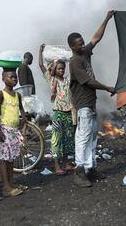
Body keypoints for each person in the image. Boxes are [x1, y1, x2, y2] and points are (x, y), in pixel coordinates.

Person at [68, 10, 116, 187]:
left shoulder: (85, 53)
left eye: (82, 43)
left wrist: (107, 18)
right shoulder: (75, 62)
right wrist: (107, 87)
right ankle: (79, 171)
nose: (82, 46)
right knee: (83, 137)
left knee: (93, 136)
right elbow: (88, 81)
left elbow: (96, 37)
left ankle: (91, 168)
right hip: (83, 104)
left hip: (91, 103)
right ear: (72, 47)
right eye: (78, 45)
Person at [39, 44, 75, 175]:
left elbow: (73, 68)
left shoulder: (67, 80)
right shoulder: (52, 79)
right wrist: (40, 51)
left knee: (67, 139)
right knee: (57, 139)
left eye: (63, 68)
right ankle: (57, 165)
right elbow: (42, 67)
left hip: (68, 112)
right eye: (59, 68)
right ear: (54, 69)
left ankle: (65, 164)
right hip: (58, 113)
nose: (61, 70)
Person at [0, 68, 27, 196]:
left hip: (14, 130)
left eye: (15, 77)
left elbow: (21, 109)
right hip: (4, 129)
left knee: (11, 158)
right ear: (3, 79)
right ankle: (6, 187)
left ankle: (11, 183)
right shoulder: (0, 94)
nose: (14, 79)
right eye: (10, 77)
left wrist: (23, 118)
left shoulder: (18, 95)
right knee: (4, 159)